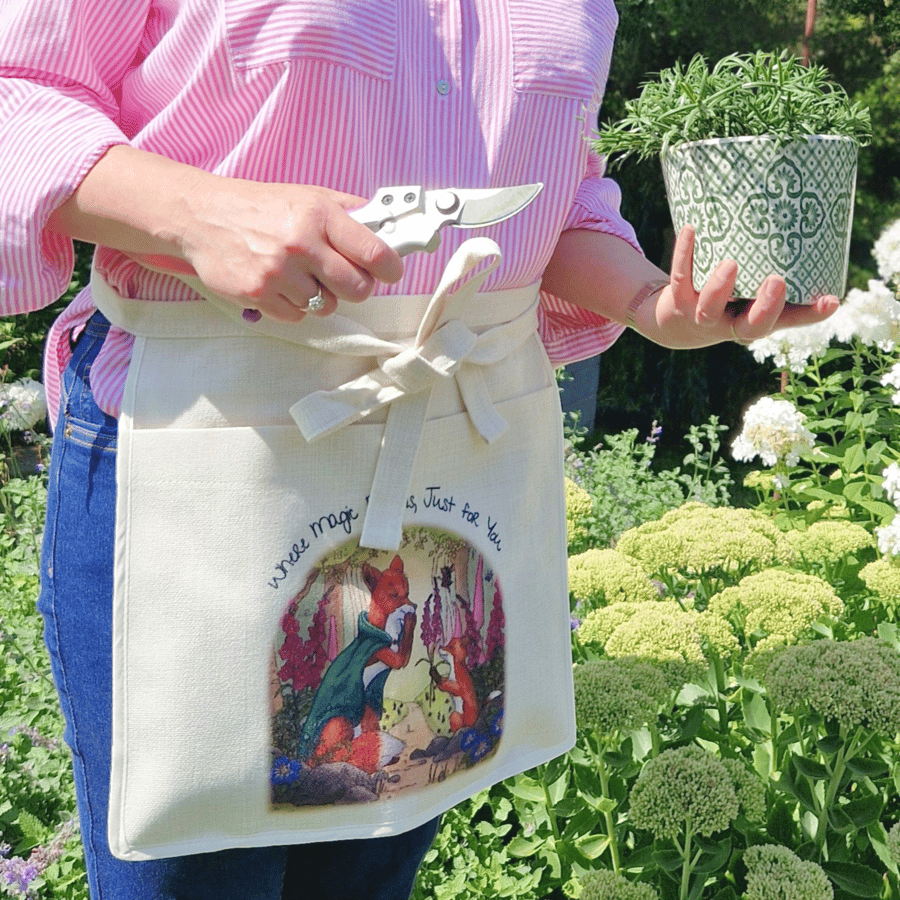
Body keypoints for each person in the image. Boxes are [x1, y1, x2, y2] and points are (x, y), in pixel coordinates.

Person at [0, 2, 837, 899]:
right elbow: (21, 96)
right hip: (203, 438)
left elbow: (559, 194)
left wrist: (650, 303)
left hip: (444, 454)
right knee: (189, 865)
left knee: (376, 851)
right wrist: (201, 214)